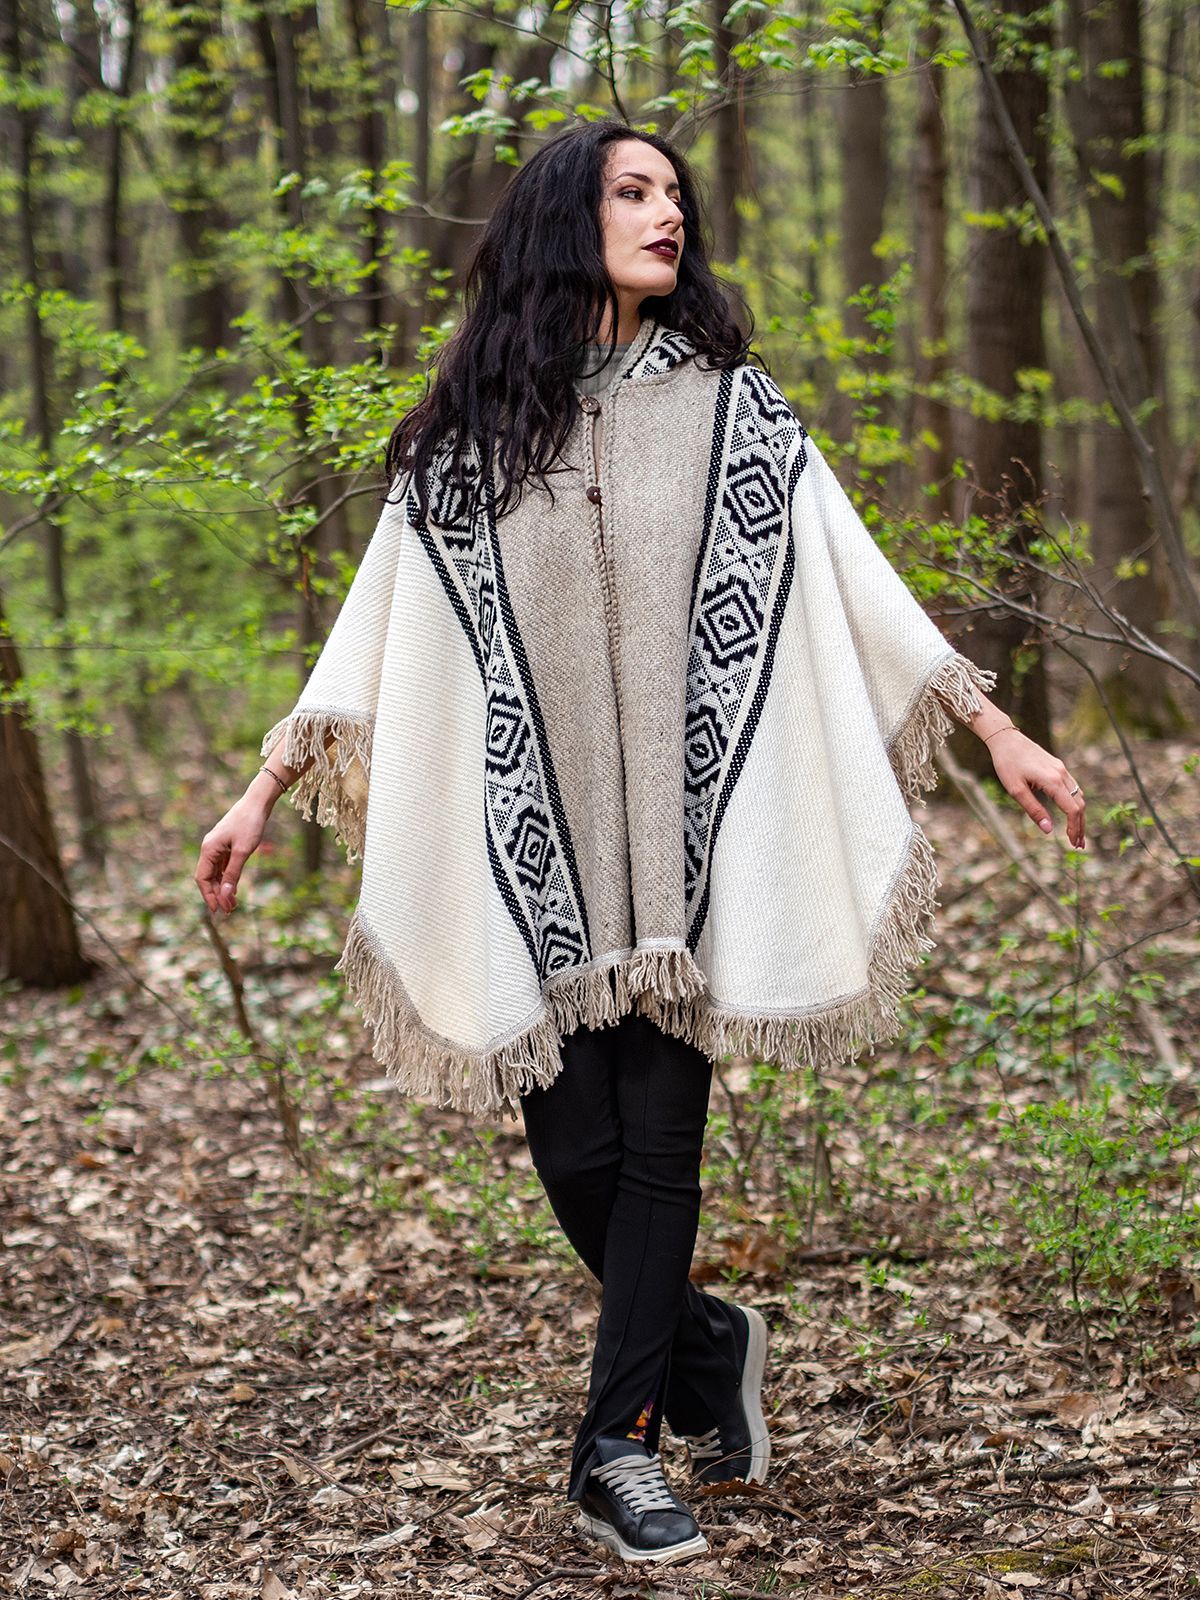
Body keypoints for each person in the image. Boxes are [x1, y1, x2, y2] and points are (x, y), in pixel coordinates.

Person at [196, 119, 1086, 1567]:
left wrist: (994, 729)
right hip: (537, 851)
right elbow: (375, 629)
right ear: (569, 219)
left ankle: (617, 1450)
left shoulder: (739, 415)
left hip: (686, 857)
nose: (667, 212)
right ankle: (707, 1341)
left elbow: (853, 577)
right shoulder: (472, 438)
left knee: (662, 1151)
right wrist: (260, 789)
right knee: (580, 1163)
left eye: (675, 192)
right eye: (632, 191)